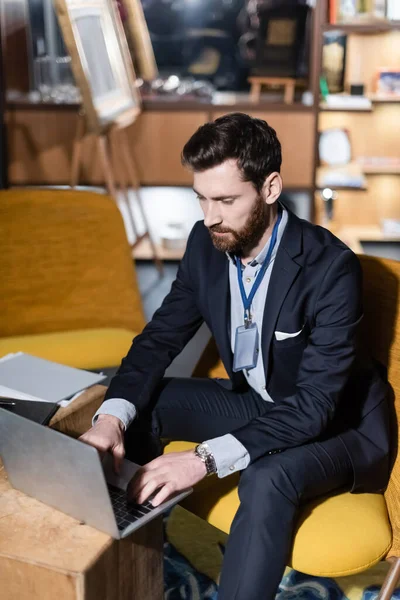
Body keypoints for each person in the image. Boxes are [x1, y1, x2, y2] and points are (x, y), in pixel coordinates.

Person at [80, 113, 390, 600]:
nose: (210, 216)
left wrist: (202, 460)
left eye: (226, 200)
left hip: (339, 426)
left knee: (269, 477)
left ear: (270, 187)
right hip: (262, 402)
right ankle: (127, 561)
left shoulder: (330, 268)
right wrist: (110, 419)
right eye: (201, 198)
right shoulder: (207, 245)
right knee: (143, 405)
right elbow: (159, 339)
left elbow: (314, 407)